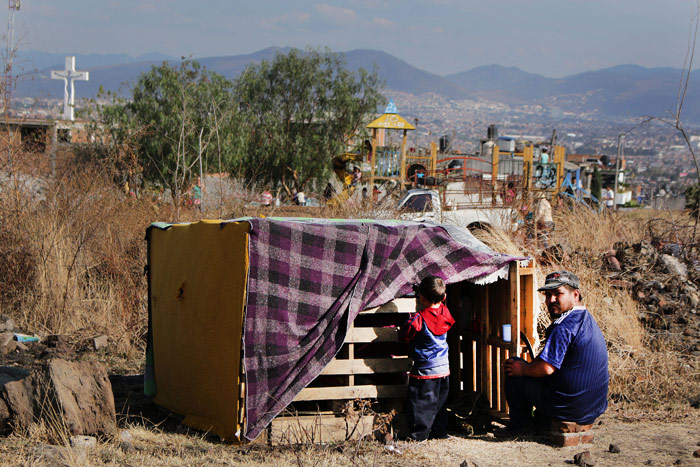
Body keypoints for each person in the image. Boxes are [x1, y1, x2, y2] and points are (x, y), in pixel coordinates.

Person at [500, 271, 608, 437]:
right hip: (592, 408)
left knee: (513, 366)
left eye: (558, 294)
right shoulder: (586, 319)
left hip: (570, 408)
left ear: (575, 295)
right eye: (548, 295)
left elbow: (546, 368)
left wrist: (522, 369)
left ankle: (520, 428)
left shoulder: (564, 325)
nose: (551, 300)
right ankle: (542, 422)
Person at [398, 276, 455, 441]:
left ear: (421, 297)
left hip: (425, 371)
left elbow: (406, 334)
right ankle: (439, 432)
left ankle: (419, 435)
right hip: (444, 368)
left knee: (420, 404)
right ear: (443, 298)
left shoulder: (419, 319)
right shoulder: (445, 312)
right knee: (439, 403)